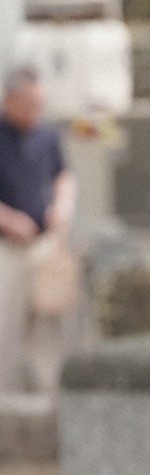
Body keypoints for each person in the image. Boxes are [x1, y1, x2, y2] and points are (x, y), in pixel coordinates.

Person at [0, 66, 77, 393]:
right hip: (6, 247)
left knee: (48, 325)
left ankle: (49, 398)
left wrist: (62, 206)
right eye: (28, 104)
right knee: (6, 326)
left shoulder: (46, 135)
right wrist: (7, 219)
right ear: (10, 100)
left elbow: (63, 175)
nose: (35, 112)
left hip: (44, 245)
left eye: (38, 104)